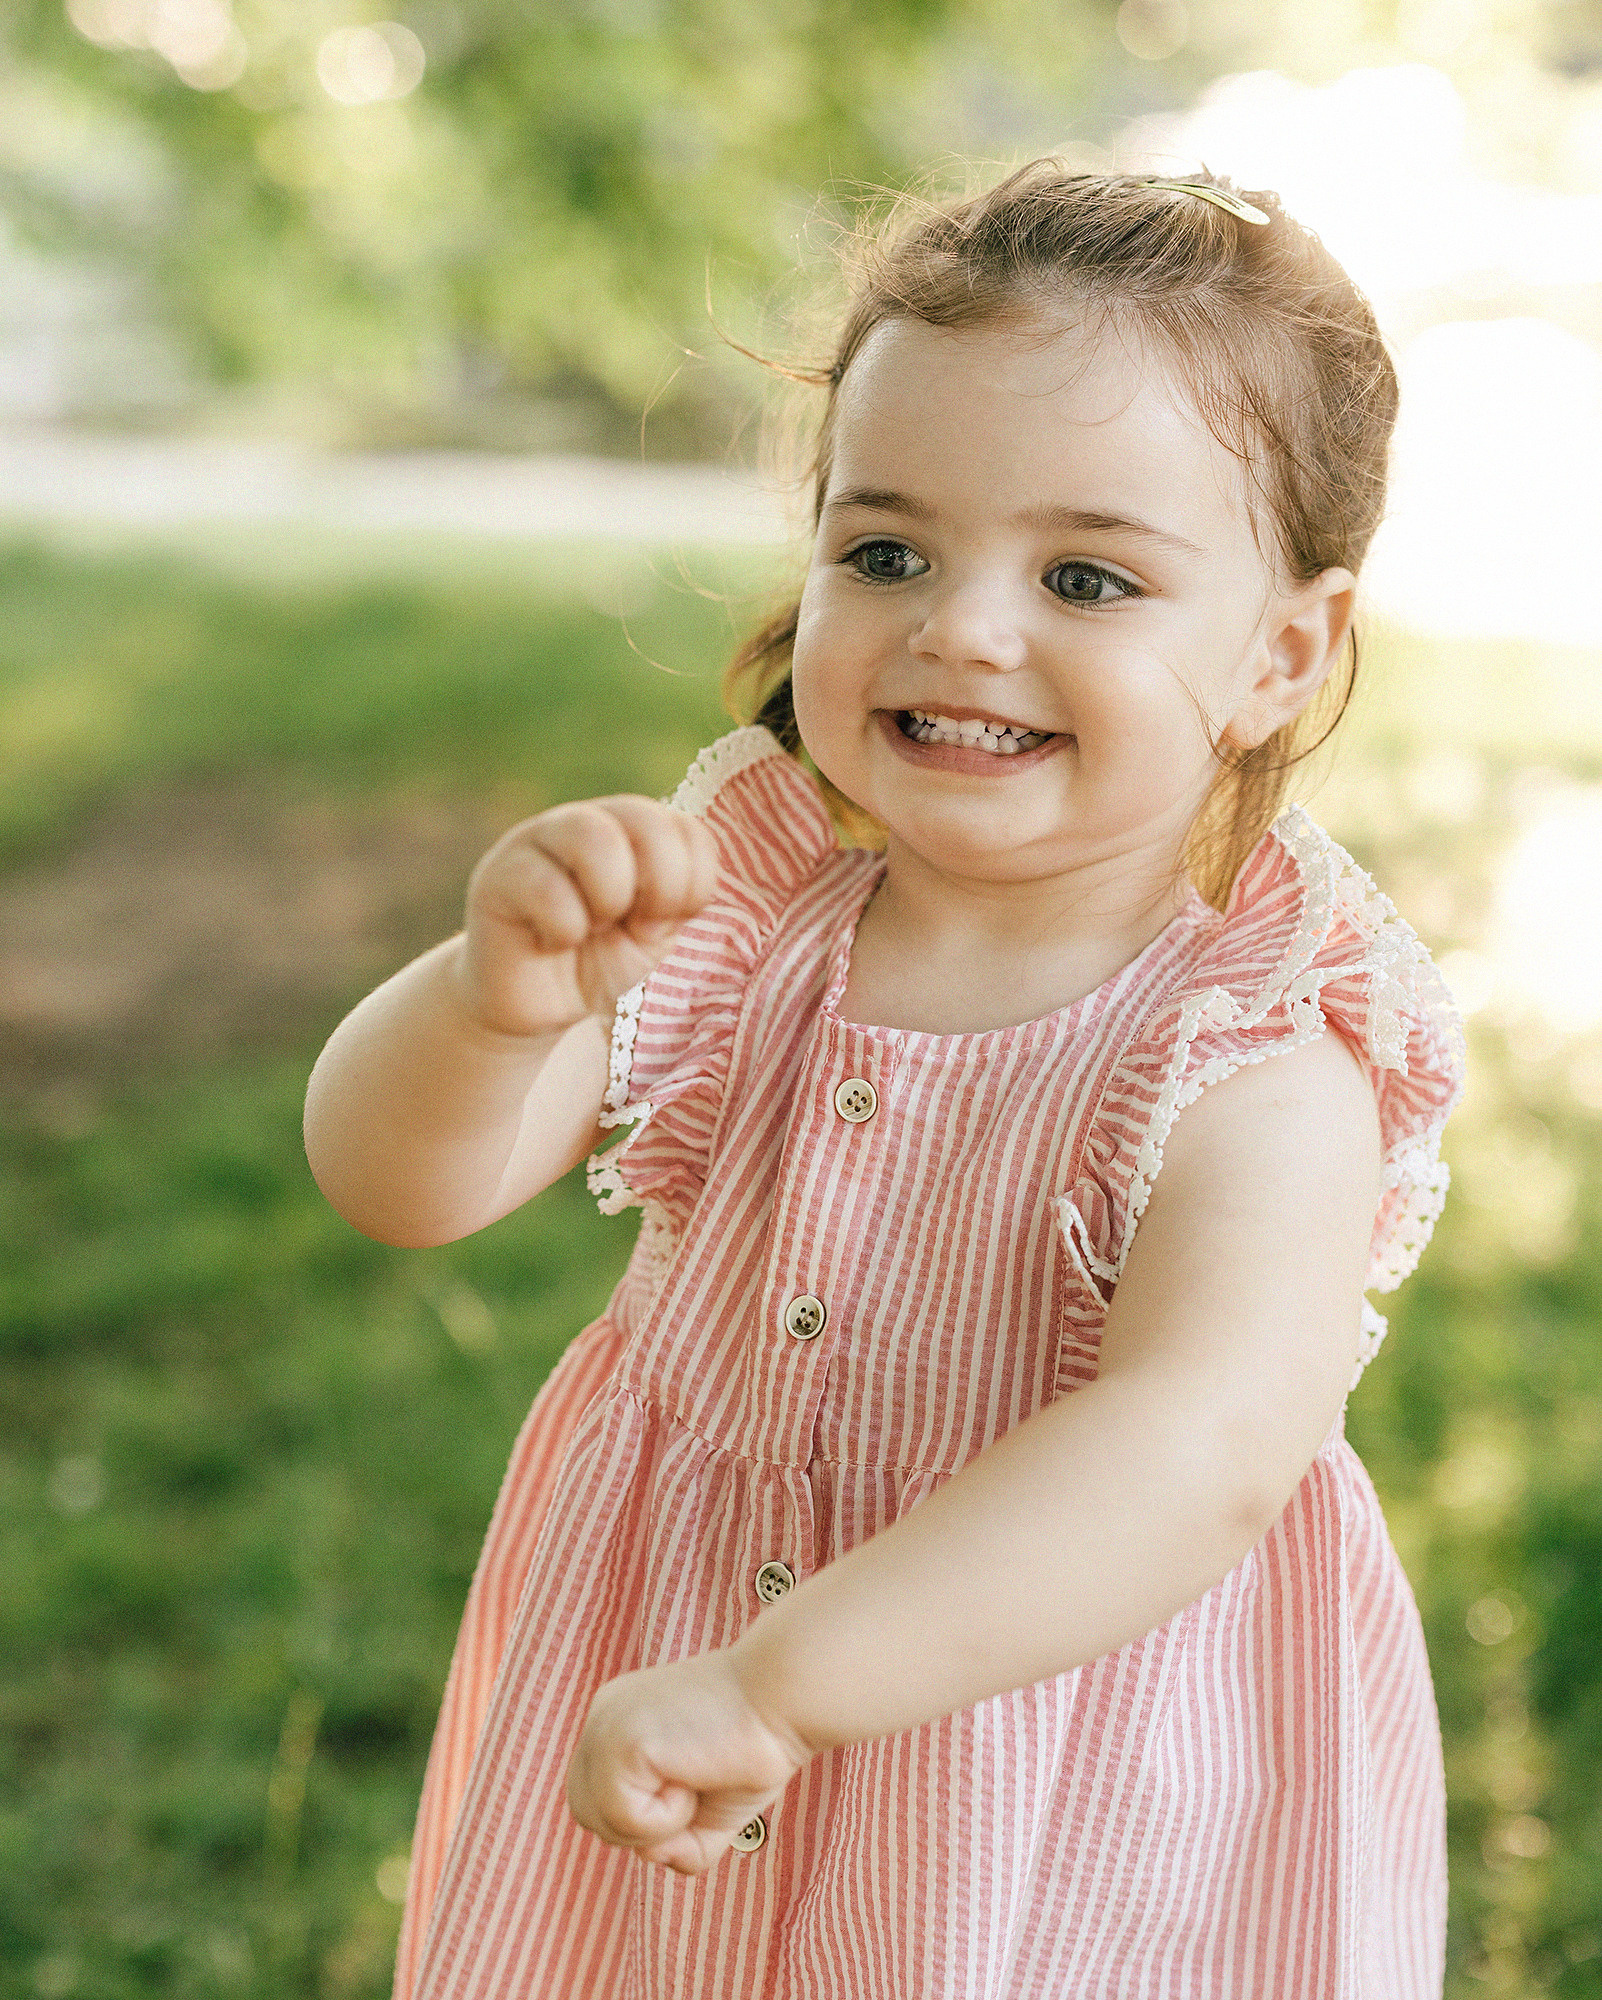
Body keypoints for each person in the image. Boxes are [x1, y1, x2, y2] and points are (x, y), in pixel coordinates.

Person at [304, 161, 1465, 1999]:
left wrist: (784, 1683)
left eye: (1084, 574)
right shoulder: (745, 919)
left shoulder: (1247, 1063)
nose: (961, 627)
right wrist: (492, 1004)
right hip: (679, 1681)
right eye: (885, 550)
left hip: (1052, 1768)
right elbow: (401, 1184)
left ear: (1279, 654)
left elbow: (1199, 1455)